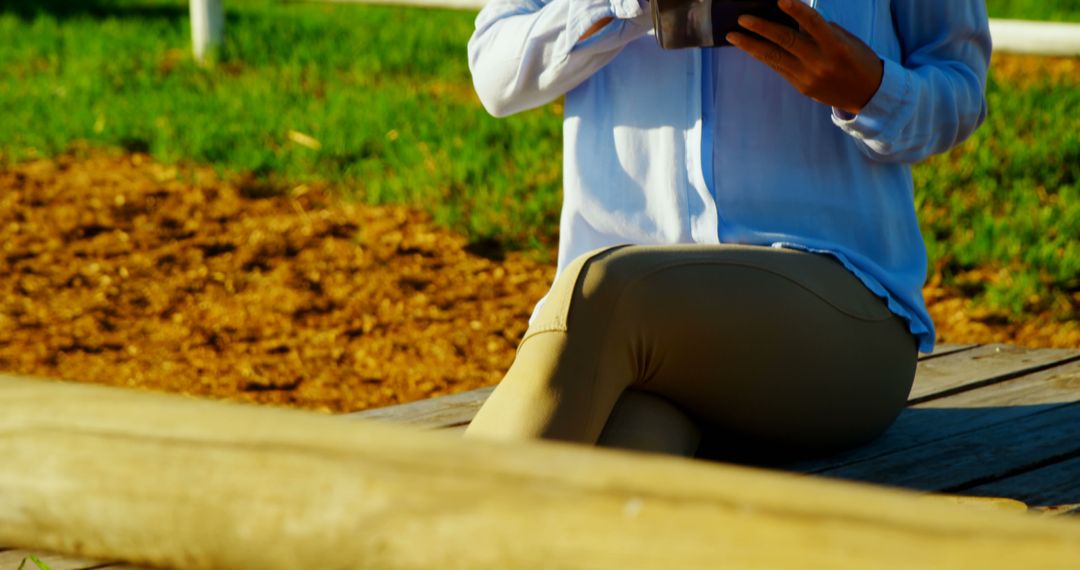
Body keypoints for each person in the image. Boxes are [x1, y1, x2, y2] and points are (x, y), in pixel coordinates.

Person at [462, 0, 992, 458]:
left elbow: (960, 89)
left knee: (606, 290)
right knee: (619, 472)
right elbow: (494, 73)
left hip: (841, 326)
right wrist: (621, 6)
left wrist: (870, 89)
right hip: (640, 363)